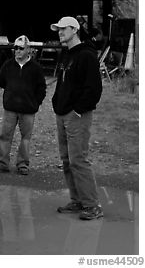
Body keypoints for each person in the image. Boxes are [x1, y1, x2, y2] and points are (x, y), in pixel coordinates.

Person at [51, 16, 103, 220]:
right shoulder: (66, 54)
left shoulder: (87, 56)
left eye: (63, 29)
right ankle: (77, 200)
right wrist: (56, 103)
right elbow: (61, 82)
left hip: (77, 115)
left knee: (78, 160)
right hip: (62, 113)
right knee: (66, 160)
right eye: (58, 29)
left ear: (75, 29)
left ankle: (92, 205)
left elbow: (94, 89)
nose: (60, 32)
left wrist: (78, 110)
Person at [0, 35, 47, 175]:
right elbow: (0, 82)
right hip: (10, 109)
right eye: (15, 48)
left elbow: (41, 88)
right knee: (5, 136)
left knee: (25, 138)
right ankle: (1, 163)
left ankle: (23, 164)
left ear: (28, 50)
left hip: (28, 110)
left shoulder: (36, 68)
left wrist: (35, 103)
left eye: (21, 48)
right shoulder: (8, 65)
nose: (17, 51)